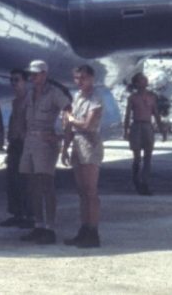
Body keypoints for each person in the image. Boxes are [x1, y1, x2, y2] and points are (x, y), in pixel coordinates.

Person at [18, 59, 71, 245]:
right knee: (32, 185)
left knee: (46, 185)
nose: (32, 77)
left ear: (44, 74)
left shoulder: (55, 93)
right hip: (30, 142)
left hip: (46, 143)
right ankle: (38, 225)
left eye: (36, 73)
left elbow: (68, 111)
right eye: (31, 74)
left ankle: (50, 228)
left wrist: (60, 136)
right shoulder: (30, 93)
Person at [62, 64, 104, 248]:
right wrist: (65, 147)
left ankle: (93, 231)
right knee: (81, 192)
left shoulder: (95, 99)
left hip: (89, 143)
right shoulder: (78, 97)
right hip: (77, 144)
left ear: (91, 78)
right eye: (77, 78)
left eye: (83, 78)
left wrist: (70, 119)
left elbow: (87, 125)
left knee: (90, 191)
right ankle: (84, 228)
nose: (79, 82)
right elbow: (70, 126)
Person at [0, 68, 34, 229]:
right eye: (12, 80)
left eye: (17, 80)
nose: (14, 83)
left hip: (26, 144)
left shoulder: (31, 100)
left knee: (26, 182)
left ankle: (30, 215)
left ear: (25, 81)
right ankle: (17, 214)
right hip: (14, 144)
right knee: (12, 181)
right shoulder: (15, 101)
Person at [123, 71, 165, 195]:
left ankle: (144, 183)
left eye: (145, 79)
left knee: (148, 157)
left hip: (148, 126)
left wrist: (161, 129)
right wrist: (126, 130)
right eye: (142, 79)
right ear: (136, 83)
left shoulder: (152, 97)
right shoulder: (132, 98)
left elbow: (156, 114)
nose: (145, 81)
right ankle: (136, 179)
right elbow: (127, 115)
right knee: (137, 157)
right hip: (136, 126)